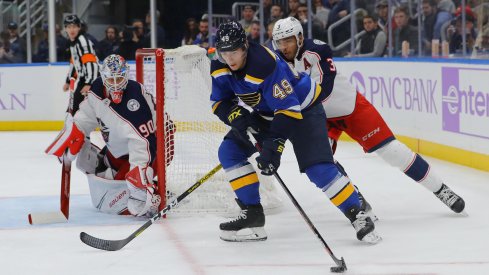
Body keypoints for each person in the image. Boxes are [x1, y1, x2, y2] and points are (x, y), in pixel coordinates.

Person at [272, 17, 465, 217]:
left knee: (393, 151)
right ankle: (355, 197)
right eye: (280, 42)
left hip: (349, 107)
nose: (284, 46)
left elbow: (324, 90)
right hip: (319, 116)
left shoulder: (317, 50)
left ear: (300, 38)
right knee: (322, 160)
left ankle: (441, 189)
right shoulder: (276, 63)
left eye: (288, 40)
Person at [211, 21, 381, 244]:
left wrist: (274, 147)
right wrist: (234, 114)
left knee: (317, 168)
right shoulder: (219, 65)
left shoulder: (263, 63)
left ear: (244, 46)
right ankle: (252, 214)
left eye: (234, 52)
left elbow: (288, 107)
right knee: (229, 152)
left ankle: (357, 214)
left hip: (303, 108)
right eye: (225, 53)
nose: (230, 59)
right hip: (267, 111)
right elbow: (219, 102)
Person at [46, 54, 161, 217]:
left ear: (126, 75)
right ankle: (139, 181)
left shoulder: (134, 101)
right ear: (103, 76)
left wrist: (140, 173)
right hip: (119, 150)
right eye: (111, 79)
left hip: (154, 150)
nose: (115, 85)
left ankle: (157, 197)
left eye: (119, 79)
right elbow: (87, 114)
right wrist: (75, 131)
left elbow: (142, 143)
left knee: (118, 198)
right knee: (96, 169)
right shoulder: (98, 89)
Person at [62, 14, 100, 115]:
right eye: (69, 27)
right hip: (85, 79)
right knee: (73, 110)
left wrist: (89, 83)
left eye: (74, 26)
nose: (72, 29)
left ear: (79, 27)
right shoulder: (73, 43)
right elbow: (74, 63)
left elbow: (91, 63)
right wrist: (68, 80)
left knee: (73, 110)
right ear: (65, 29)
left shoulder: (82, 41)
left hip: (94, 80)